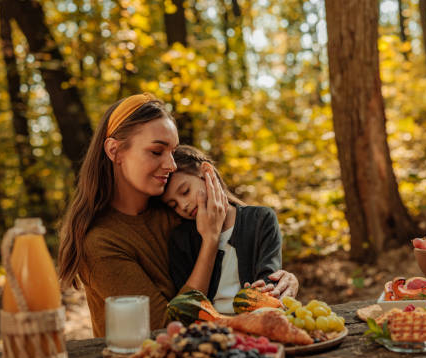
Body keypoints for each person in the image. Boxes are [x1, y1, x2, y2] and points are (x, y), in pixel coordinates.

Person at [57, 93, 298, 337]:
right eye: (156, 151)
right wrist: (210, 242)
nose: (171, 165)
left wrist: (283, 282)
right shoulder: (100, 242)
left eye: (172, 151)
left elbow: (240, 240)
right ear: (115, 150)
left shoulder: (175, 211)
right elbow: (165, 327)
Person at [161, 145, 293, 314]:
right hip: (207, 329)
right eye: (174, 205)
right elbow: (185, 304)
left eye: (185, 191)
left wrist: (264, 290)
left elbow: (271, 281)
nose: (183, 205)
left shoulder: (260, 219)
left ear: (206, 172)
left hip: (257, 320)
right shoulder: (181, 239)